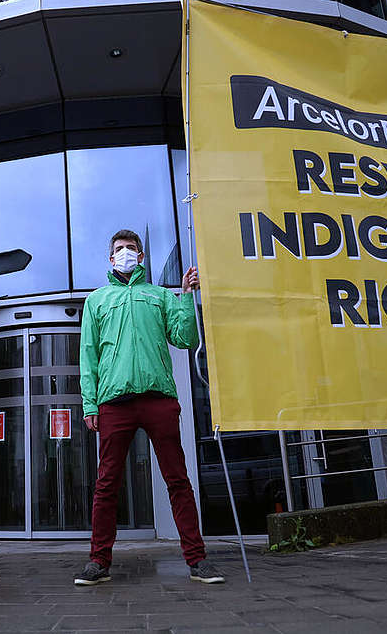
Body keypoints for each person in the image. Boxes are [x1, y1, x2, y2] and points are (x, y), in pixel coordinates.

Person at [75, 231, 225, 586]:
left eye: (131, 249)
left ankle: (197, 559)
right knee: (106, 483)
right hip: (114, 404)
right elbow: (88, 357)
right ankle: (99, 561)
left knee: (177, 479)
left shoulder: (159, 295)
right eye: (119, 250)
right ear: (110, 260)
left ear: (141, 257)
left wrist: (187, 297)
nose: (125, 253)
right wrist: (89, 403)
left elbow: (186, 338)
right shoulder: (97, 301)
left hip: (158, 399)